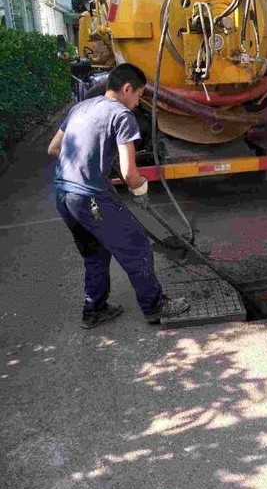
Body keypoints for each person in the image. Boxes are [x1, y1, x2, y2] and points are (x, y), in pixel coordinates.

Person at [48, 62, 190, 329]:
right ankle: (156, 307)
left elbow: (54, 148)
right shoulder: (122, 115)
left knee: (95, 253)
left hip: (64, 196)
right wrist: (140, 188)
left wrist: (91, 166)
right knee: (137, 247)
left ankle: (94, 310)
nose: (137, 103)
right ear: (127, 89)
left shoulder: (80, 107)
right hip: (91, 199)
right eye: (138, 96)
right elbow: (129, 174)